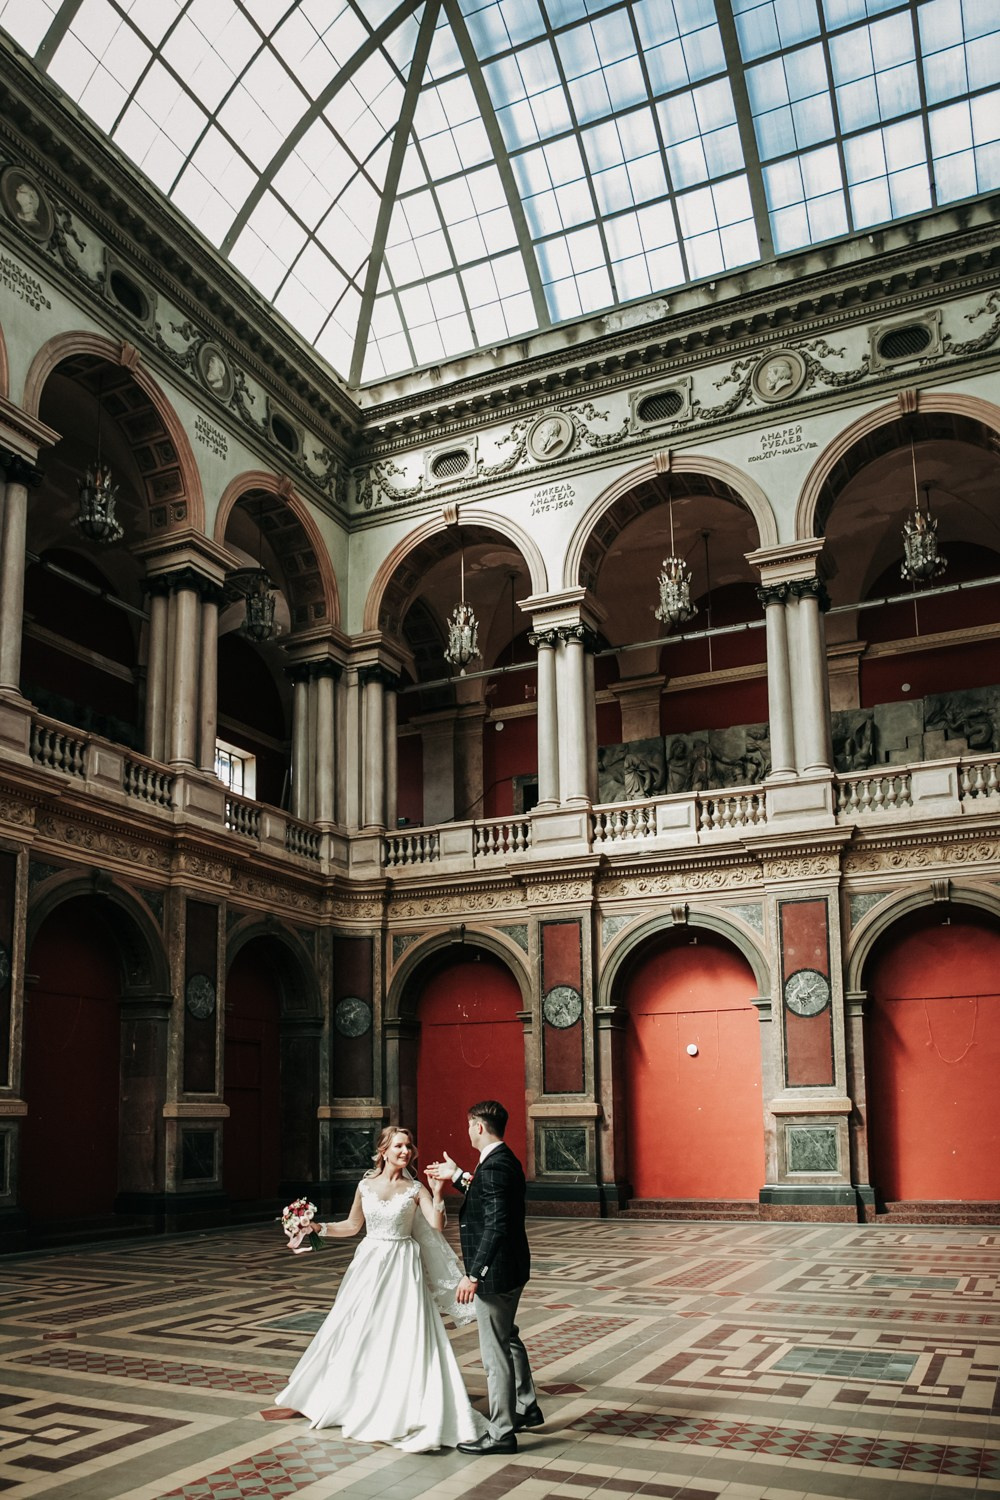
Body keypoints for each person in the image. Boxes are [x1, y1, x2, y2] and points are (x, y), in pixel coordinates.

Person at [274, 1126, 486, 1453]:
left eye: (409, 1146)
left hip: (403, 1265)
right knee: (356, 1327)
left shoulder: (416, 1189)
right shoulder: (365, 1185)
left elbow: (436, 1225)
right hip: (369, 1264)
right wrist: (318, 1229)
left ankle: (401, 1401)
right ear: (383, 1150)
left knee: (401, 1332)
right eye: (399, 1146)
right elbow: (353, 1226)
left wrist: (438, 1193)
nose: (406, 1151)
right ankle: (346, 1395)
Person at [426, 1100, 542, 1455]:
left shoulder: (493, 1167)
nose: (467, 1131)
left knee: (494, 1354)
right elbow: (490, 1199)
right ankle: (526, 1405)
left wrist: (474, 1274)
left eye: (468, 1126)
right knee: (507, 1336)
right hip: (512, 1267)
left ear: (477, 1126)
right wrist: (458, 1175)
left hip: (496, 1273)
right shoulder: (502, 1160)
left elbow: (496, 1224)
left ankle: (502, 1432)